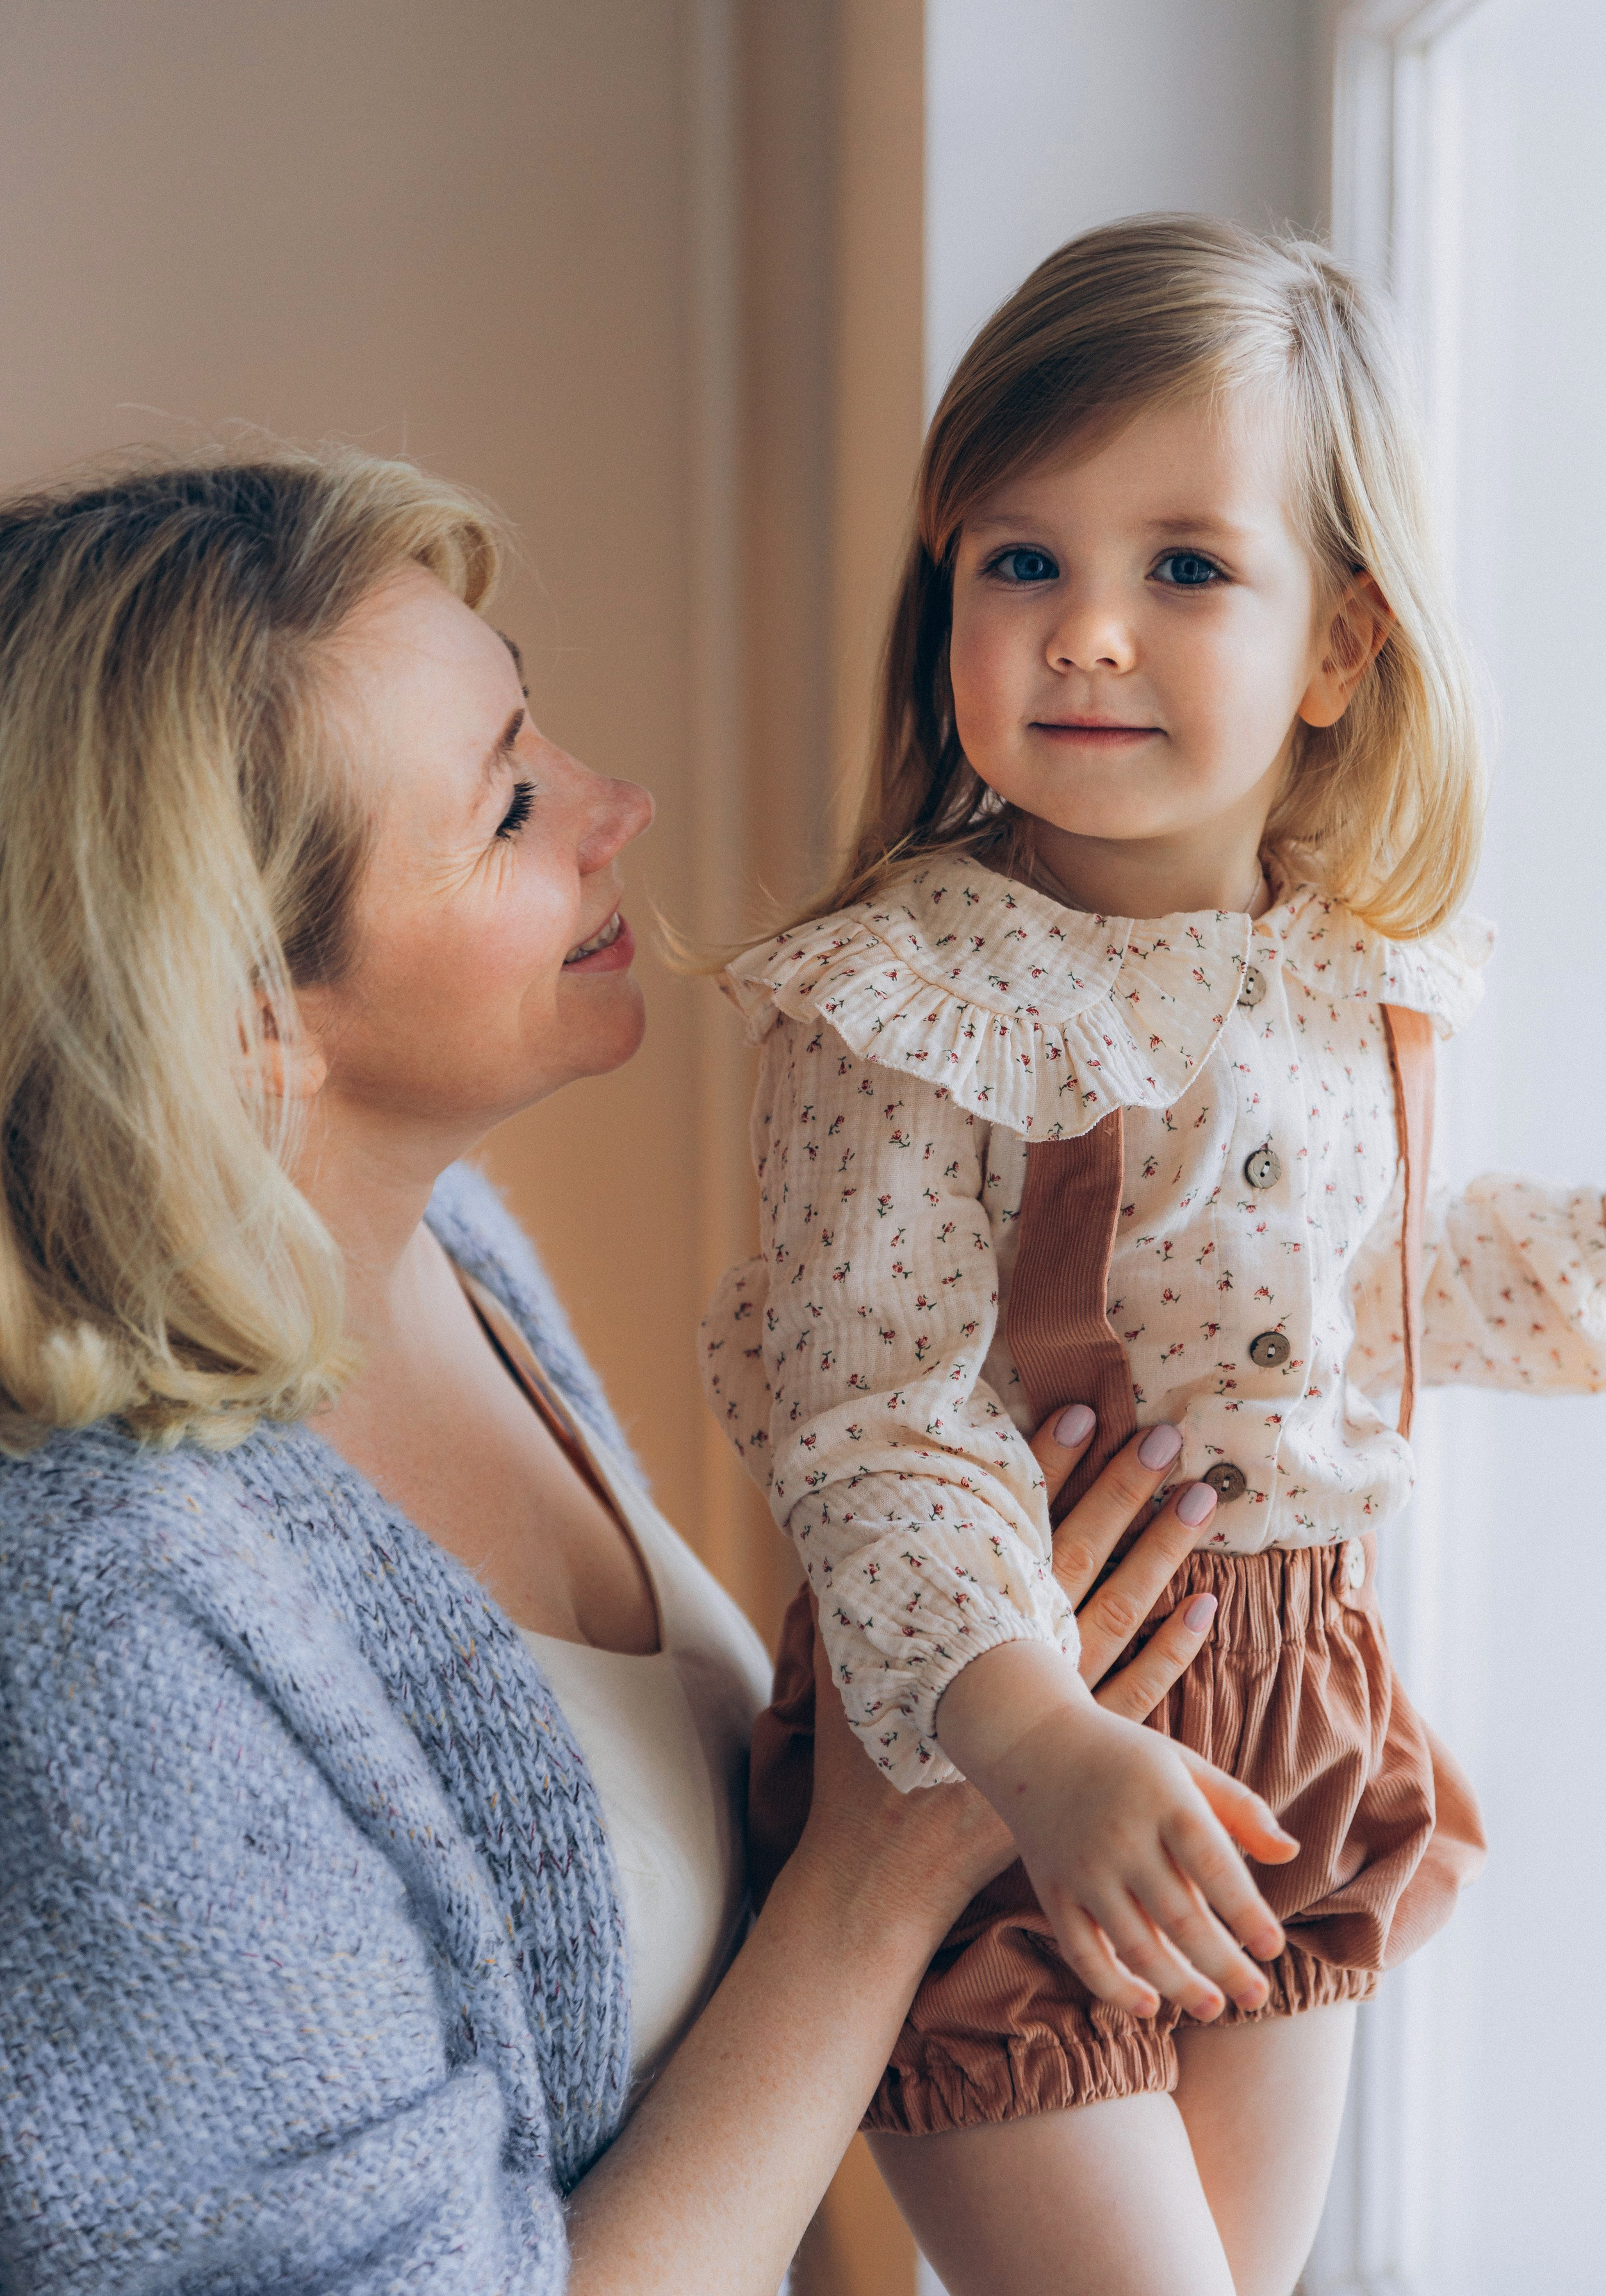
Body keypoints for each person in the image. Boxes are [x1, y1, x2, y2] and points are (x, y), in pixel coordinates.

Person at [0, 446, 1290, 2295]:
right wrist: (886, 1862)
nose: (623, 805)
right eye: (512, 806)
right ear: (249, 1021)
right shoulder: (103, 1630)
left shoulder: (442, 1247)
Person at [700, 213, 1606, 2296]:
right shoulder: (913, 995)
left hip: (1303, 1709)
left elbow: (1355, 1291)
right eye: (1022, 559)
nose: (1087, 631)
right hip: (1016, 1719)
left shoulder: (1346, 970)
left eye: (1184, 567)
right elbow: (874, 1418)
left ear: (1341, 647)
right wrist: (1036, 1744)